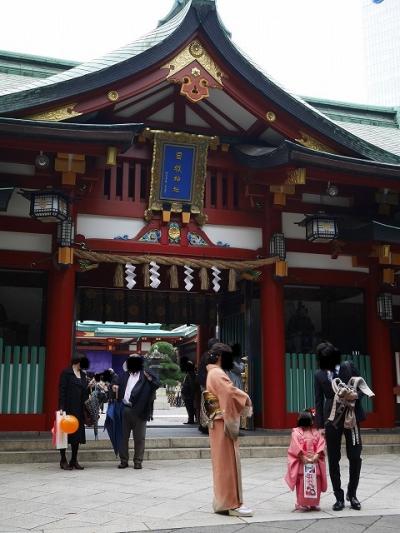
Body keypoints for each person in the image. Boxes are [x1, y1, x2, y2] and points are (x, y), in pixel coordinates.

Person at [314, 341, 374, 511]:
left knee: (355, 455)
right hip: (332, 420)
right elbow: (318, 401)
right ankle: (338, 497)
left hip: (352, 416)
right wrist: (320, 425)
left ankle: (352, 494)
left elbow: (363, 386)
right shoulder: (318, 375)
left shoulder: (349, 366)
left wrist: (354, 397)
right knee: (334, 458)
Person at [205, 342, 253, 517]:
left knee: (222, 464)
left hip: (216, 422)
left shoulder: (212, 372)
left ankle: (223, 501)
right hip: (222, 423)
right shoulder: (217, 374)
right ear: (219, 357)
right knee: (228, 464)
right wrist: (246, 398)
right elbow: (230, 393)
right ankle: (232, 503)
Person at [116, 354, 160, 469]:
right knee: (123, 437)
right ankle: (124, 460)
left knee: (139, 438)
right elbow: (115, 383)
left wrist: (149, 378)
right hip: (125, 409)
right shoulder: (125, 375)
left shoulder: (146, 374)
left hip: (140, 410)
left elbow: (157, 384)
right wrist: (113, 386)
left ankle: (138, 461)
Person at [284, 410, 327, 512]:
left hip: (314, 462)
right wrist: (303, 457)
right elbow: (295, 446)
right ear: (310, 421)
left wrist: (316, 455)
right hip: (302, 462)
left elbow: (321, 443)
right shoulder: (296, 432)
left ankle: (314, 503)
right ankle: (301, 503)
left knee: (316, 482)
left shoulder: (316, 432)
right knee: (302, 483)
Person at [58, 353, 92, 470]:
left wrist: (88, 387)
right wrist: (61, 407)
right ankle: (63, 460)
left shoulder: (83, 375)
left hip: (79, 409)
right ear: (77, 361)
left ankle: (74, 459)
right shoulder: (66, 373)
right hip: (67, 408)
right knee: (64, 435)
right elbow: (62, 390)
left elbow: (84, 394)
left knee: (77, 436)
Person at [197, 337, 219, 434]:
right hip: (208, 383)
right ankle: (207, 425)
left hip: (205, 382)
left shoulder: (205, 355)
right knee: (209, 404)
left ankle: (205, 425)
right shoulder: (210, 356)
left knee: (206, 404)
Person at [180, 356, 198, 424]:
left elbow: (192, 385)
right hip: (188, 394)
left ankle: (191, 419)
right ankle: (191, 419)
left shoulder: (190, 374)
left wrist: (191, 395)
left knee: (190, 408)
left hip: (188, 394)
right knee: (190, 407)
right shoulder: (190, 374)